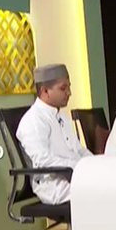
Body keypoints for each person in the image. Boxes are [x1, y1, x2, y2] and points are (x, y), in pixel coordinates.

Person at [15, 63, 91, 205]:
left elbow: (78, 150)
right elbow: (42, 159)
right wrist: (77, 166)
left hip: (76, 177)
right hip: (54, 185)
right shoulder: (33, 120)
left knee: (114, 181)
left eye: (69, 87)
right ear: (45, 91)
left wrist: (96, 164)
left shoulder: (62, 117)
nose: (69, 93)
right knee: (107, 191)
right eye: (63, 88)